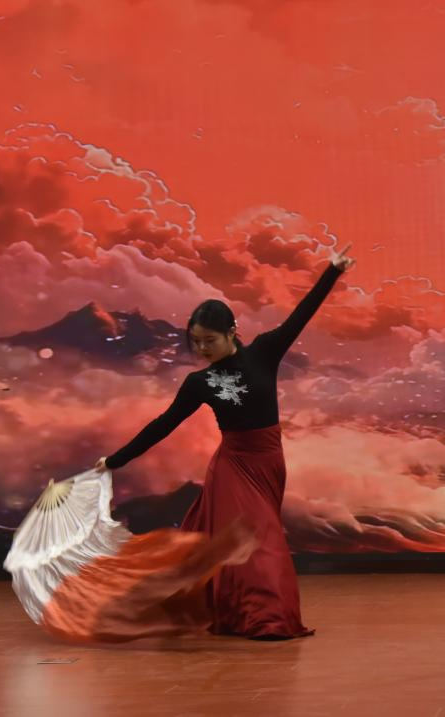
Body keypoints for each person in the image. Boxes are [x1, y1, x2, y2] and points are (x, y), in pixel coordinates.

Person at [96, 247, 355, 640]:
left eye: (210, 341)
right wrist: (115, 460)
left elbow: (302, 315)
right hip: (232, 467)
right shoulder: (198, 383)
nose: (202, 350)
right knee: (259, 541)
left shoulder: (265, 351)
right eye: (196, 342)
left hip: (269, 462)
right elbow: (163, 425)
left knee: (246, 541)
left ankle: (236, 613)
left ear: (232, 332)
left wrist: (332, 271)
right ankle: (268, 619)